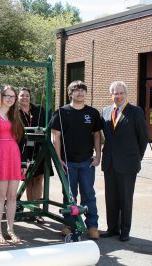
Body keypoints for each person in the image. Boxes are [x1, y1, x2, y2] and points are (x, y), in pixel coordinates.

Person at [49, 80, 102, 240]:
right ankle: (68, 224)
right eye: (76, 90)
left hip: (87, 162)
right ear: (70, 93)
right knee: (69, 195)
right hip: (68, 162)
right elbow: (55, 137)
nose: (80, 93)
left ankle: (92, 226)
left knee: (88, 195)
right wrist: (58, 159)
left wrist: (98, 155)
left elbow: (97, 135)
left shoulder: (92, 113)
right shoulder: (61, 112)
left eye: (82, 90)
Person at [100, 81, 148, 242]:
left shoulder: (136, 112)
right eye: (115, 93)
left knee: (125, 199)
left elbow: (143, 138)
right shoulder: (106, 111)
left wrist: (136, 157)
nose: (118, 96)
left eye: (121, 93)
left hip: (128, 163)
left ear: (126, 94)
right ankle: (112, 228)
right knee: (111, 198)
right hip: (109, 163)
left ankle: (125, 230)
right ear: (111, 94)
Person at [0, 85, 27, 244]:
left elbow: (23, 140)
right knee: (0, 195)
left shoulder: (16, 114)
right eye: (7, 95)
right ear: (0, 96)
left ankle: (11, 230)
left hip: (14, 155)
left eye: (13, 96)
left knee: (12, 196)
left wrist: (23, 161)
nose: (10, 99)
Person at [18, 87, 52, 224]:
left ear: (30, 97)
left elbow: (47, 126)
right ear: (18, 98)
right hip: (24, 148)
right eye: (22, 95)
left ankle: (36, 210)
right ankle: (30, 208)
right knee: (28, 180)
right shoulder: (15, 112)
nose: (24, 98)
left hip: (39, 148)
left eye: (27, 95)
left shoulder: (39, 110)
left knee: (38, 179)